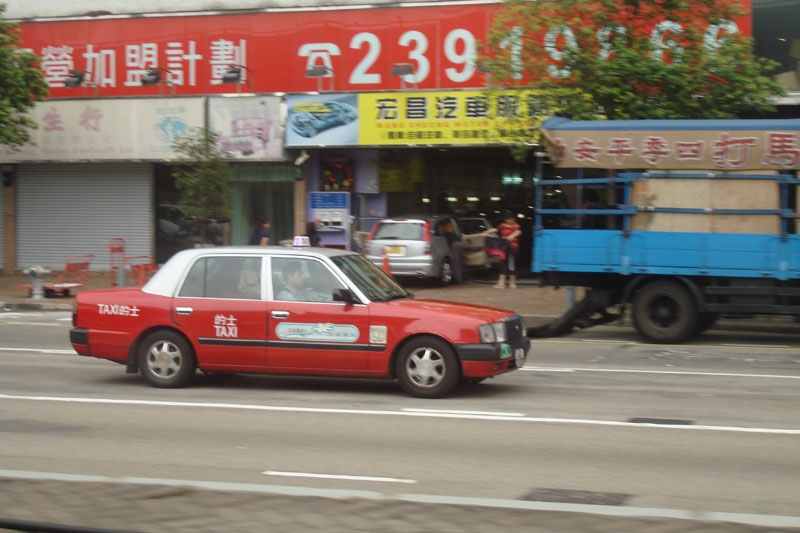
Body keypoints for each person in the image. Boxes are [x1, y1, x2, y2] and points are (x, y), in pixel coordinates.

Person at [484, 210, 521, 289]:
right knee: (503, 264)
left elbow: (518, 232)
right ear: (506, 220)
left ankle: (512, 283)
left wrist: (511, 236)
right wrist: (486, 232)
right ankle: (501, 283)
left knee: (511, 265)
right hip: (503, 248)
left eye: (513, 219)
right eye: (510, 219)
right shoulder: (502, 225)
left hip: (512, 248)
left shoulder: (516, 226)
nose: (512, 221)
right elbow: (494, 229)